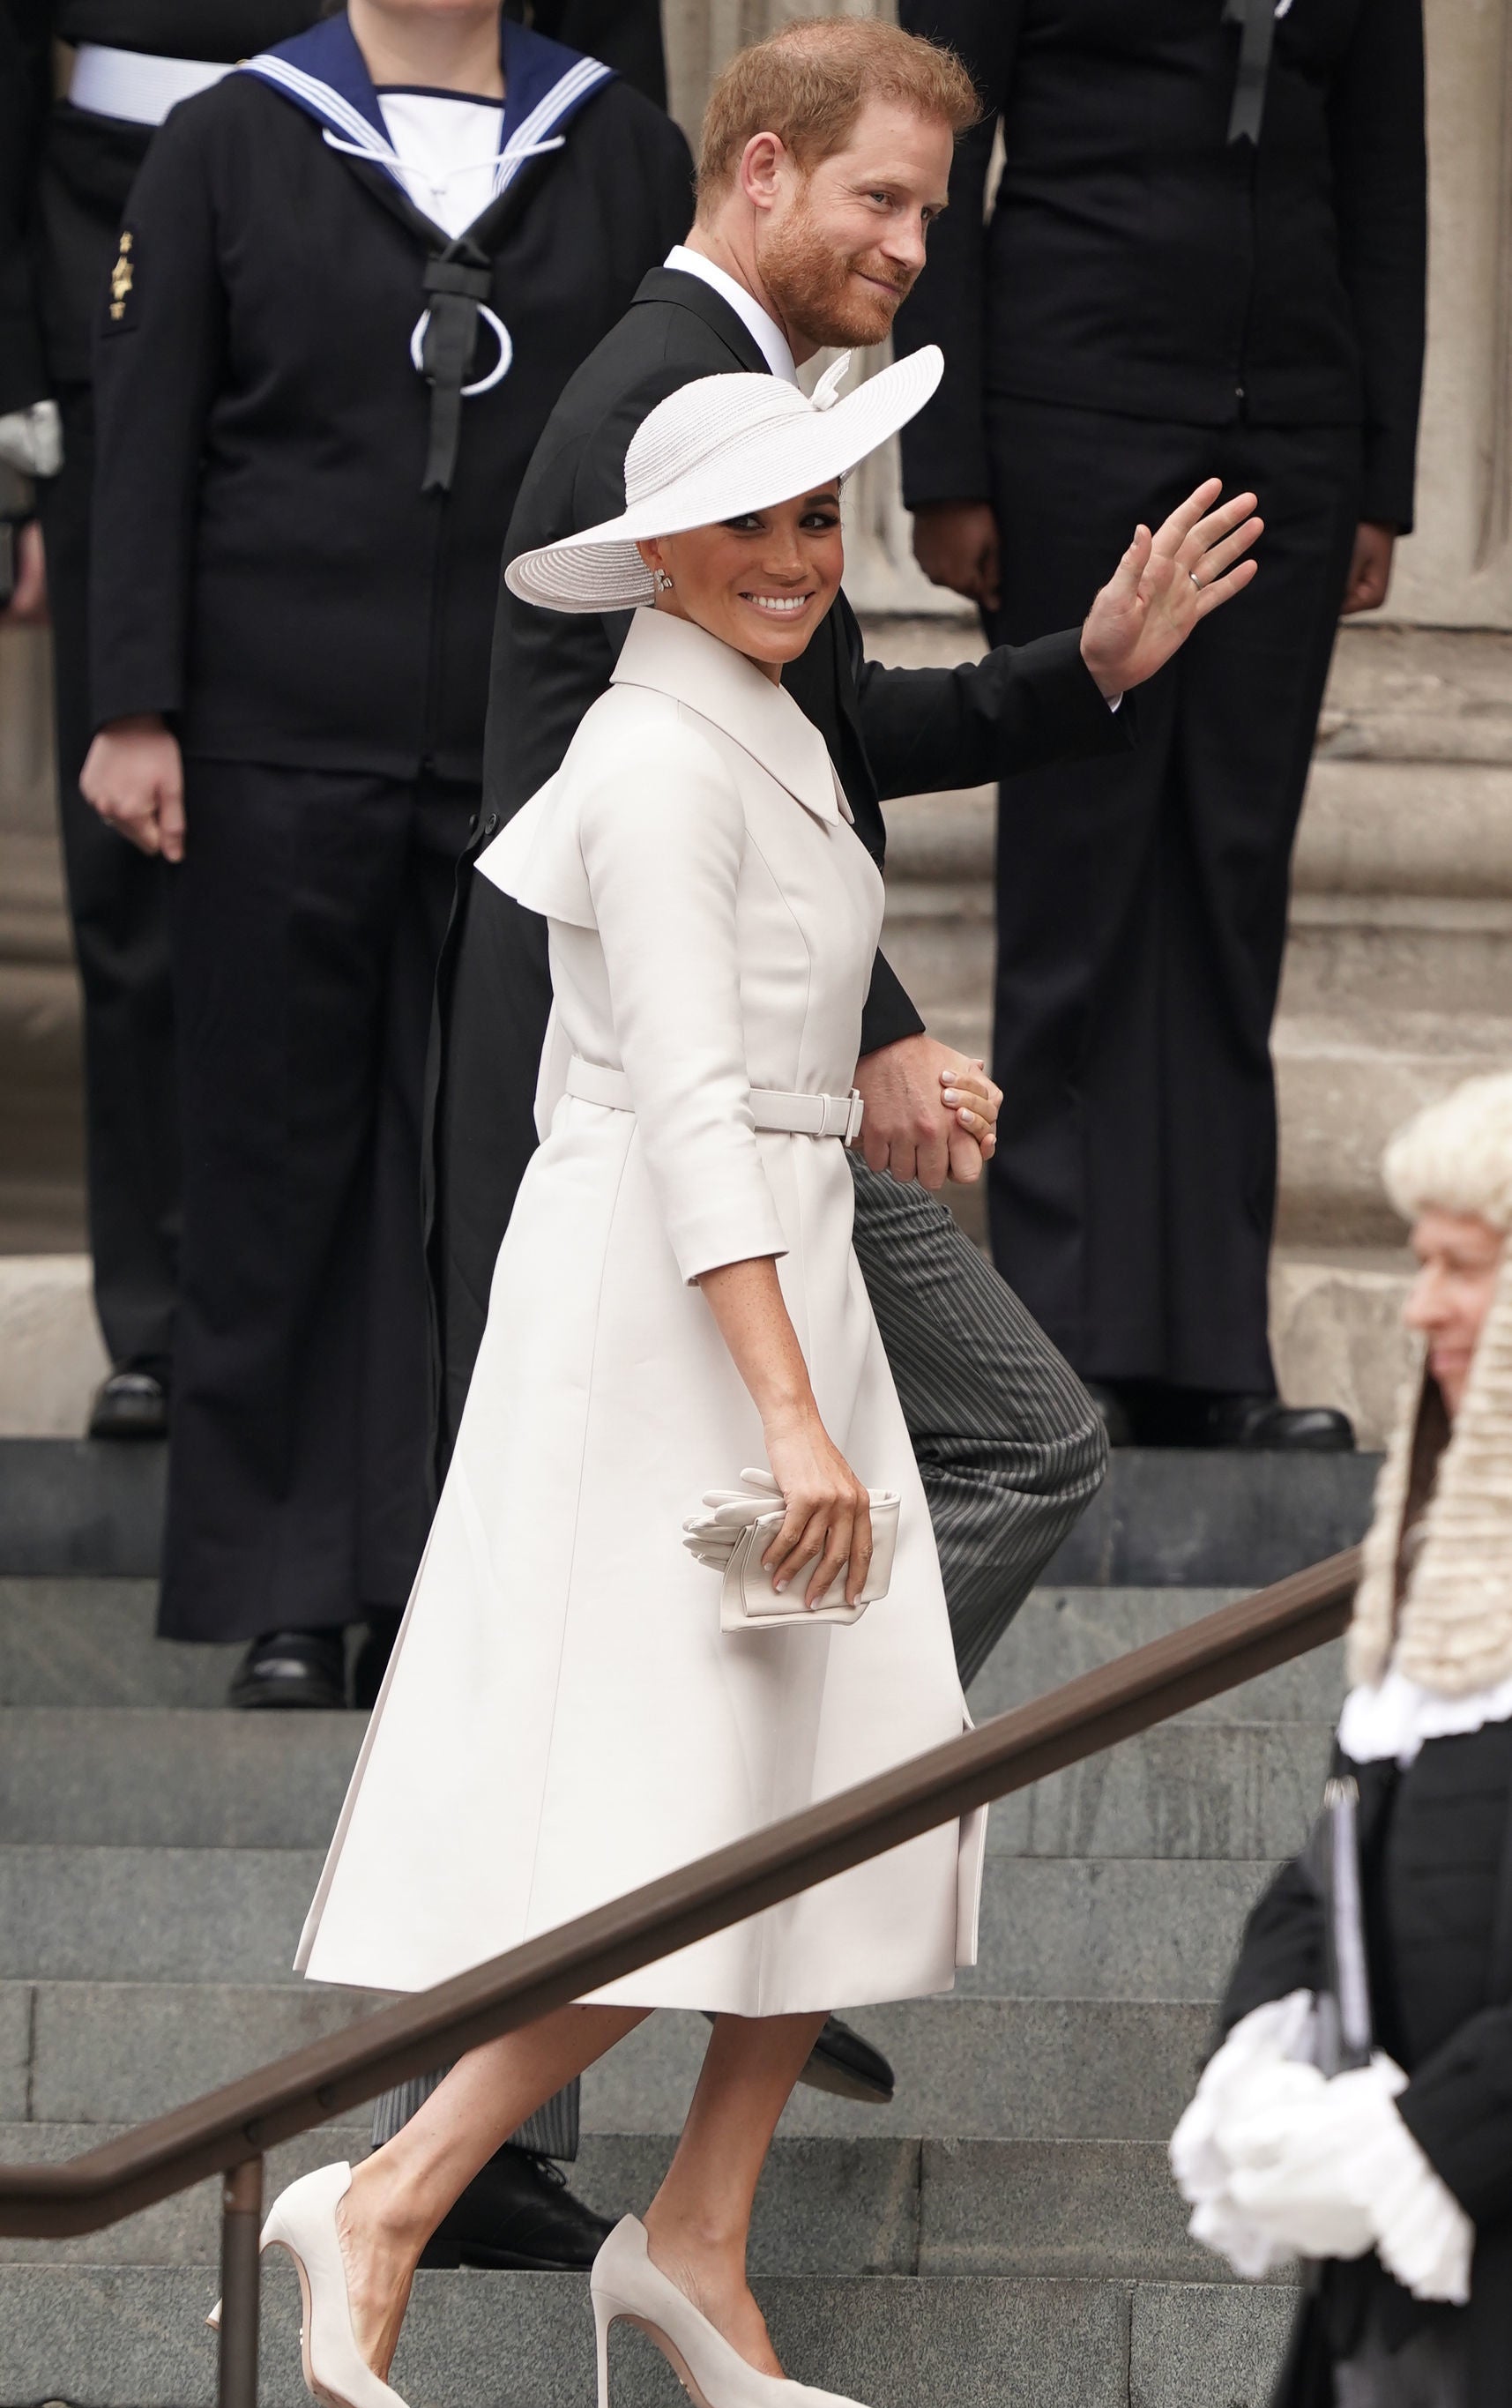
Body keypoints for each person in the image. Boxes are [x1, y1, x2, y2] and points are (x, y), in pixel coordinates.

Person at [252, 341, 1256, 2408]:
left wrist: (888, 1094)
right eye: (759, 526)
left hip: (785, 1272)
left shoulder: (758, 724)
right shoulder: (650, 761)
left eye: (821, 522)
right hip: (676, 1311)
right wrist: (795, 1418)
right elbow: (693, 1117)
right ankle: (393, 2191)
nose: (802, 559)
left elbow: (776, 1068)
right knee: (711, 1821)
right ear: (661, 558)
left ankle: (696, 2235)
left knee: (850, 1785)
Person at [390, 10, 1260, 2193]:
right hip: (646, 1112)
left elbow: (825, 721)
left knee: (975, 1466)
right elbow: (648, 790)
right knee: (617, 1619)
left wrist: (1091, 673)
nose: (910, 247)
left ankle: (793, 1868)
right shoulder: (646, 398)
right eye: (878, 201)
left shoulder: (752, 402)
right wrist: (868, 1008)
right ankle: (511, 2116)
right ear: (758, 175)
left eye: (930, 212)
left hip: (752, 1089)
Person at [78, 0, 692, 1716]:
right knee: (277, 1175)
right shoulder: (228, 141)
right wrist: (134, 704)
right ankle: (287, 1589)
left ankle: (461, 1579)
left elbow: (667, 445)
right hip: (275, 728)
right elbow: (148, 439)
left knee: (494, 1179)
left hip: (524, 739)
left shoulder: (619, 147)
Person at [894, 0, 1427, 1452]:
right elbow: (933, 138)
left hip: (1294, 433)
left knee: (1229, 883)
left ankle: (1211, 1355)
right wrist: (943, 461)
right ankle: (1064, 1347)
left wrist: (1382, 474)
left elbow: (1384, 178)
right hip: (1071, 404)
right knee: (1080, 877)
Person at [1170, 1070, 1512, 2408]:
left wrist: (1428, 2146)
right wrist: (1263, 2041)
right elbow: (1337, 1860)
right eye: (1416, 1264)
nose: (1422, 1307)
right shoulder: (1435, 1587)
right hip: (1391, 2296)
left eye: (1462, 1269)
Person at [1, 0, 329, 1438]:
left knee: (337, 849)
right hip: (96, 275)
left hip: (355, 297)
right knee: (128, 854)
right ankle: (159, 1314)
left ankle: (324, 1302)